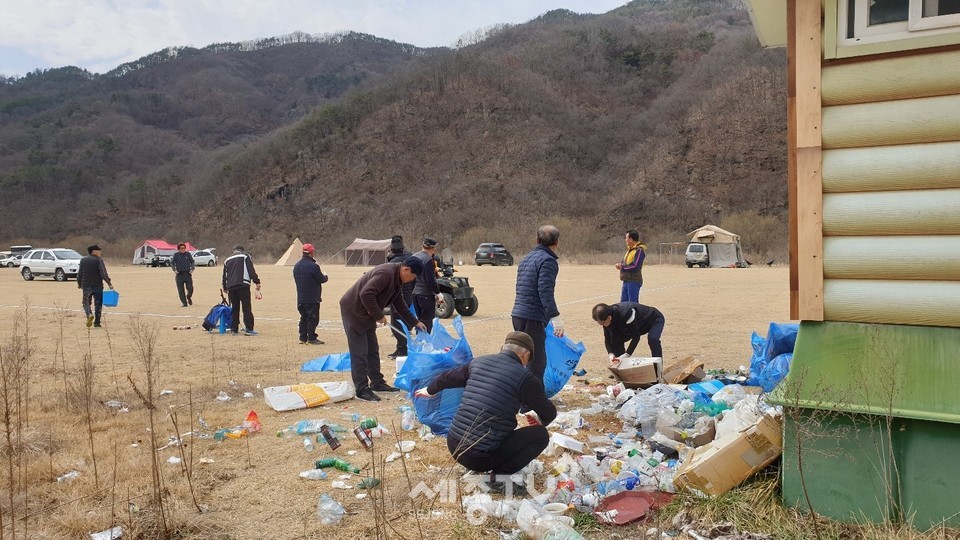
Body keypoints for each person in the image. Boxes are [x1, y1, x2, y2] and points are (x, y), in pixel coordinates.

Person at [415, 331, 556, 494]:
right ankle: (498, 479)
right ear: (525, 355)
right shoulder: (525, 378)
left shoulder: (478, 362)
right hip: (480, 457)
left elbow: (446, 377)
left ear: (502, 347)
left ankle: (482, 464)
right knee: (540, 435)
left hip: (454, 446)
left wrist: (429, 390)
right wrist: (539, 419)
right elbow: (549, 413)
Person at [339, 257, 427, 402]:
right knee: (359, 351)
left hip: (366, 313)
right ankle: (361, 389)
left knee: (372, 349)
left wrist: (415, 322)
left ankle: (377, 382)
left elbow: (399, 304)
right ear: (406, 269)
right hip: (354, 310)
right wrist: (379, 315)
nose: (412, 280)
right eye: (413, 276)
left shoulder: (397, 280)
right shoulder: (386, 274)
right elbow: (366, 294)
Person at [511, 225, 563, 385]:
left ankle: (517, 395)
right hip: (532, 317)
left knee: (520, 357)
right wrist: (555, 316)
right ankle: (530, 404)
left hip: (518, 314)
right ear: (557, 242)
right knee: (536, 362)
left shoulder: (526, 258)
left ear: (537, 240)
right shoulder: (548, 261)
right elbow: (545, 291)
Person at [591, 302, 665, 361]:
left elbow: (636, 337)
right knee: (615, 339)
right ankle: (620, 366)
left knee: (653, 339)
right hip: (636, 325)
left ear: (609, 318)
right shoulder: (606, 317)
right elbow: (607, 338)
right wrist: (611, 354)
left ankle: (658, 368)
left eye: (602, 323)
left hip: (654, 320)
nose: (602, 325)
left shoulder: (627, 313)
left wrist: (627, 354)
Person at [293, 243, 328, 345]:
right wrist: (326, 276)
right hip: (312, 298)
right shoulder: (314, 266)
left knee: (303, 317)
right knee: (312, 318)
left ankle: (303, 337)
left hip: (301, 297)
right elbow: (321, 279)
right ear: (312, 253)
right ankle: (311, 337)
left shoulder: (296, 266)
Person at [222, 245, 261, 336]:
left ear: (233, 251)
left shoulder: (227, 260)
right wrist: (257, 281)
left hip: (231, 287)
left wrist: (225, 287)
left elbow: (224, 275)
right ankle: (249, 329)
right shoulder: (245, 257)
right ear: (242, 250)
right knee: (246, 307)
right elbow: (251, 270)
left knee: (235, 308)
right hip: (243, 284)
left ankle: (234, 329)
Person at [386, 235, 413, 358]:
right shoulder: (410, 257)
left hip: (397, 296)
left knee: (396, 325)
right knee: (405, 323)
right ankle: (402, 348)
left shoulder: (393, 263)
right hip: (408, 294)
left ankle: (402, 349)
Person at [411, 237, 443, 333]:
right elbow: (430, 280)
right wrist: (438, 293)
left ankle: (419, 343)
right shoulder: (428, 260)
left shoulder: (414, 256)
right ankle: (424, 344)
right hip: (425, 294)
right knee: (426, 322)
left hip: (415, 294)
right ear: (433, 248)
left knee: (419, 321)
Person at [77, 244, 113, 328]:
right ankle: (97, 323)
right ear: (94, 251)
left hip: (86, 286)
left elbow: (80, 274)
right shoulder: (98, 260)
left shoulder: (83, 260)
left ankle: (89, 314)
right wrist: (109, 283)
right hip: (97, 286)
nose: (100, 252)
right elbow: (103, 274)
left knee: (86, 303)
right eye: (98, 250)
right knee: (98, 304)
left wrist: (79, 284)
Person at [615, 229, 645, 303]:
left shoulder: (639, 251)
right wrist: (620, 265)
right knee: (623, 305)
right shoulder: (629, 251)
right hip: (626, 280)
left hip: (633, 281)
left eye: (626, 238)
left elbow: (635, 266)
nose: (625, 240)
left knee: (632, 304)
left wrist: (622, 267)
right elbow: (625, 263)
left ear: (631, 239)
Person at [171, 243, 195, 307]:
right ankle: (184, 303)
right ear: (179, 249)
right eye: (181, 248)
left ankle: (189, 297)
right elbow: (172, 262)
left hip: (187, 274)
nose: (183, 249)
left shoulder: (188, 254)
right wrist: (174, 269)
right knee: (181, 290)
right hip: (179, 275)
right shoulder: (176, 255)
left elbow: (192, 261)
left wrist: (192, 268)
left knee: (190, 288)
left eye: (184, 248)